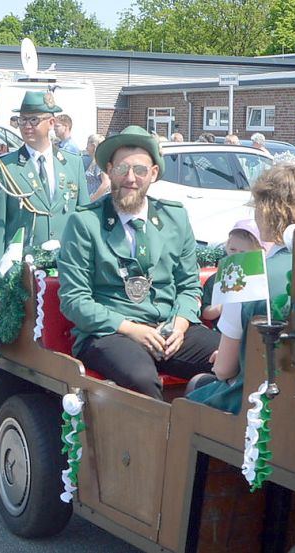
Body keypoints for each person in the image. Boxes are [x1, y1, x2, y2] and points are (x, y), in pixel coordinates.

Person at [57, 125, 219, 400]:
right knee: (142, 379)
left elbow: (190, 287)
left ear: (153, 173)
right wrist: (132, 329)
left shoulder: (174, 218)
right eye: (122, 169)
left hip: (168, 329)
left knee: (237, 358)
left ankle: (205, 432)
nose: (131, 178)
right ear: (109, 171)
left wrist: (179, 326)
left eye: (140, 170)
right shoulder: (85, 223)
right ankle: (160, 443)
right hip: (110, 332)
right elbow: (74, 300)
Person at [189, 163, 295, 412]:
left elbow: (224, 369)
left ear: (265, 211)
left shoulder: (246, 272)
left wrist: (224, 361)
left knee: (189, 402)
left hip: (257, 403)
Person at [0, 91, 87, 281]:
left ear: (52, 123)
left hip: (67, 269)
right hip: (21, 272)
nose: (27, 126)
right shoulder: (5, 167)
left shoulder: (72, 163)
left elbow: (84, 218)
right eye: (22, 120)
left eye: (34, 120)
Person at [200, 219, 268, 323]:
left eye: (243, 252)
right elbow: (206, 313)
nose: (236, 255)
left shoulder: (262, 278)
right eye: (233, 249)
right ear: (227, 247)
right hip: (221, 331)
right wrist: (225, 304)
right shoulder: (216, 279)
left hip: (253, 327)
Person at [84, 134, 110, 201]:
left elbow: (106, 183)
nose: (86, 148)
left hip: (99, 203)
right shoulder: (94, 161)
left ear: (93, 146)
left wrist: (92, 199)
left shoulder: (101, 161)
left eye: (87, 144)